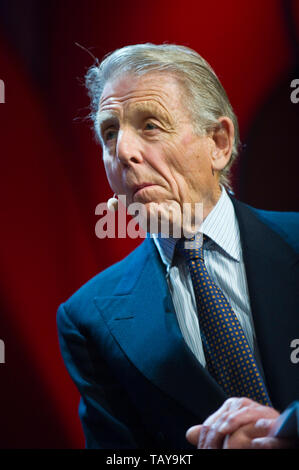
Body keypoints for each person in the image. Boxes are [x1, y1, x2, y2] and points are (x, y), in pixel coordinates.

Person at [57, 43, 299, 449]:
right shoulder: (90, 318)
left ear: (219, 143)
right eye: (109, 132)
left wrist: (288, 428)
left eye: (150, 125)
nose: (124, 152)